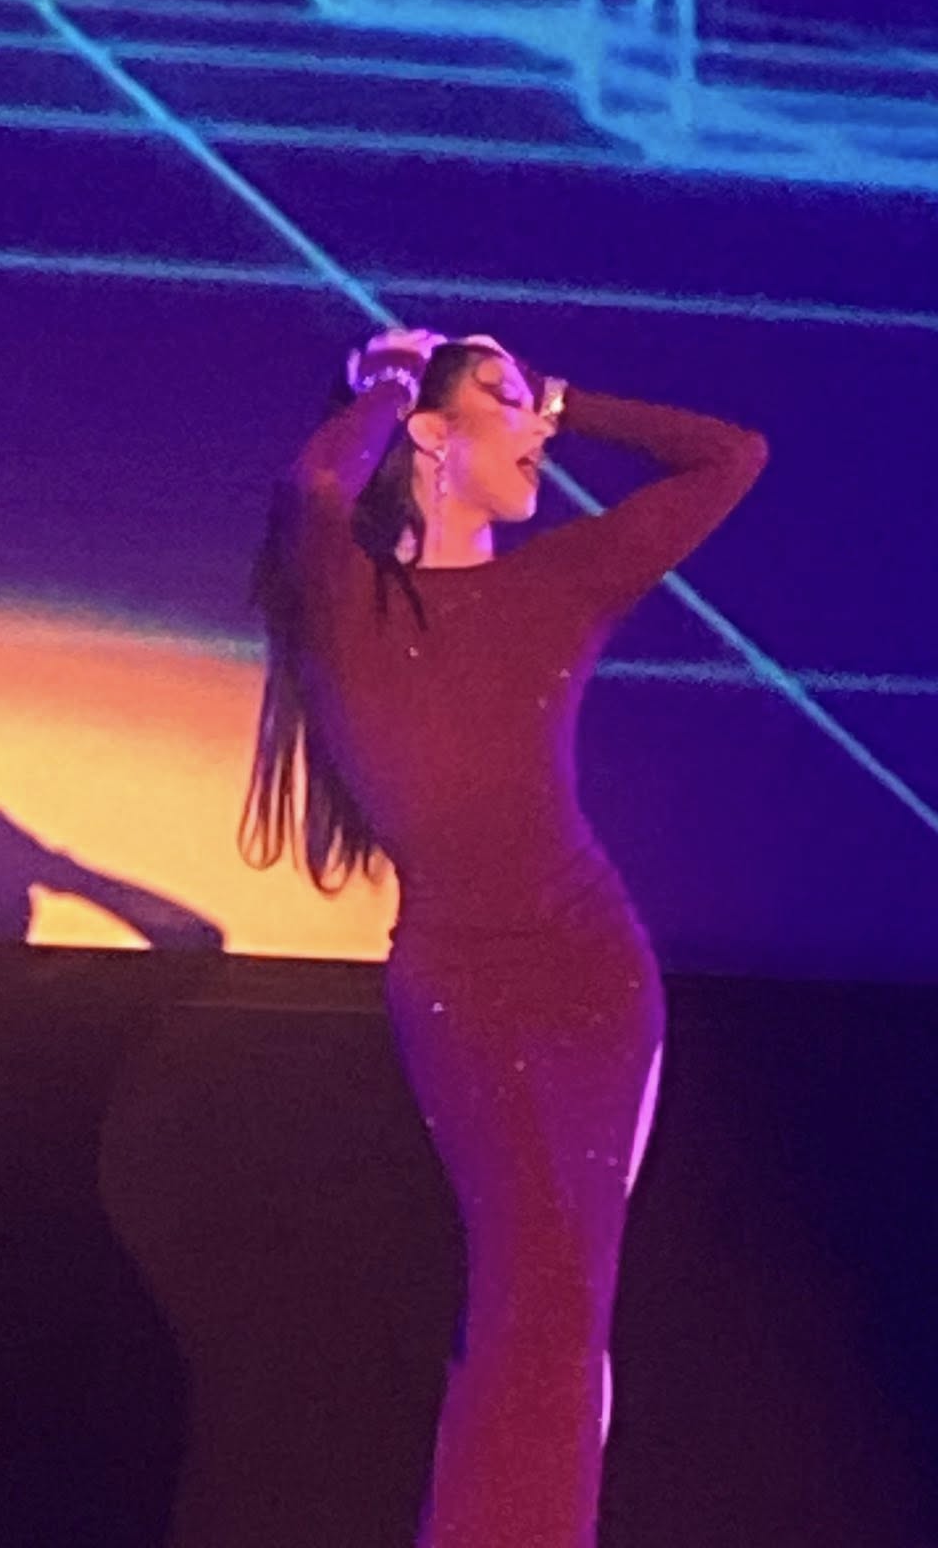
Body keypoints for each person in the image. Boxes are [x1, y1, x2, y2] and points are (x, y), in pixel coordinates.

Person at [240, 326, 768, 1548]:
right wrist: (387, 376)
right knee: (531, 1297)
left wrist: (565, 398)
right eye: (504, 396)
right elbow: (316, 482)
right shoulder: (347, 600)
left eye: (534, 401)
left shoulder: (559, 582)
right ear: (430, 436)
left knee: (567, 1306)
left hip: (597, 976)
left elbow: (732, 456)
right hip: (462, 996)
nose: (534, 425)